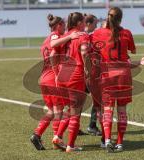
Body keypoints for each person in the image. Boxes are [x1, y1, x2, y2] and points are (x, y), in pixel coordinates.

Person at [92, 7, 144, 153]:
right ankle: (119, 143)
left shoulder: (98, 33)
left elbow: (91, 50)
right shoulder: (126, 33)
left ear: (107, 18)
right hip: (124, 76)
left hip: (107, 76)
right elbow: (133, 51)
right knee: (122, 110)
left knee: (107, 110)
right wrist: (139, 62)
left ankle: (106, 141)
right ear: (121, 19)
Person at [30, 14, 82, 151]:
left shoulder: (45, 40)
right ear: (57, 25)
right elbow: (53, 48)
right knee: (59, 111)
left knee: (52, 111)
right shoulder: (55, 37)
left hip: (44, 79)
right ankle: (56, 138)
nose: (65, 27)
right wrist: (70, 37)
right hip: (53, 78)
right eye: (63, 24)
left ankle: (38, 134)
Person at [52, 12, 90, 152]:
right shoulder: (82, 35)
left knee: (69, 110)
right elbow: (85, 52)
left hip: (63, 74)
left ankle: (57, 137)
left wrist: (56, 73)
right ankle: (70, 146)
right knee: (76, 113)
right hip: (75, 75)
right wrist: (87, 70)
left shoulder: (65, 36)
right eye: (84, 21)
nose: (85, 24)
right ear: (79, 22)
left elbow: (53, 54)